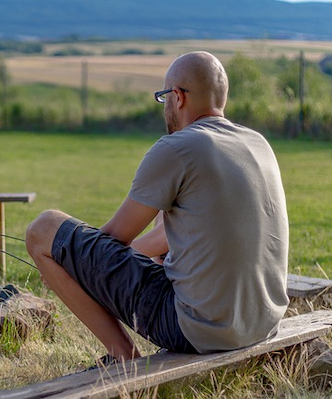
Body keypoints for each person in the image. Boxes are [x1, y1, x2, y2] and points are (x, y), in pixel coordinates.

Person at [24, 51, 289, 364]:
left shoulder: (177, 148)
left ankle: (123, 358)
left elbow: (113, 239)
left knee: (43, 229)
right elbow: (186, 230)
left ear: (177, 97)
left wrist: (70, 264)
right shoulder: (258, 143)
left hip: (199, 330)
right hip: (263, 324)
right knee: (166, 216)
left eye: (164, 97)